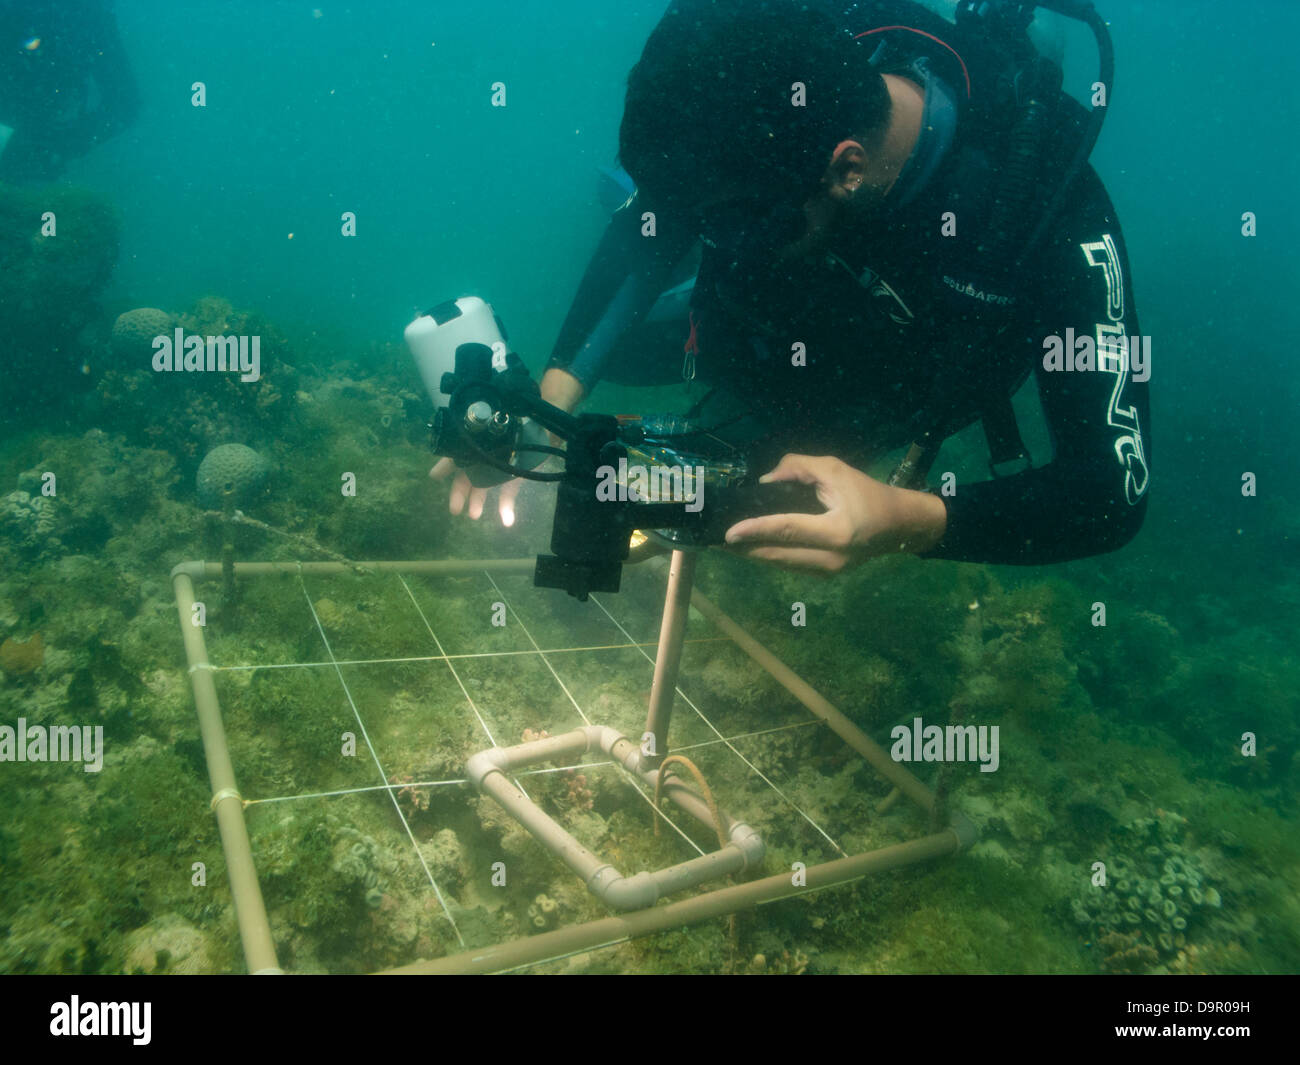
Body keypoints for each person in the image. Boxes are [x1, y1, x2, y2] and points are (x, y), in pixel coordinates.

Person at [436, 0, 1149, 572]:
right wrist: (547, 405)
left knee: (750, 473)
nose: (704, 238)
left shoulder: (1052, 216)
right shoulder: (780, 59)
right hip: (754, 332)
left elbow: (1112, 493)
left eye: (728, 221)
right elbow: (665, 212)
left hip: (882, 390)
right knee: (603, 419)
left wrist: (907, 521)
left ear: (847, 167)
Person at [0, 0, 138, 183]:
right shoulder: (87, 15)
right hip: (35, 145)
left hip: (33, 149)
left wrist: (53, 145)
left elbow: (125, 102)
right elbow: (125, 102)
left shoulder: (88, 15)